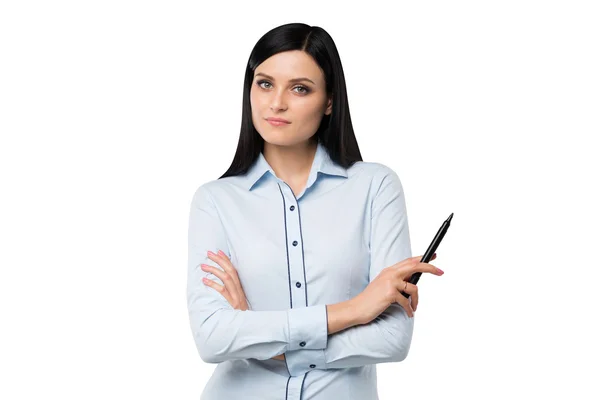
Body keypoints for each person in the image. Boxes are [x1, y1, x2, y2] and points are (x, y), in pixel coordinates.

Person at [187, 22, 444, 400]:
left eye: (300, 88)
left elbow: (392, 338)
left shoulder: (375, 188)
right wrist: (356, 309)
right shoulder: (215, 201)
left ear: (329, 101)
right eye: (264, 83)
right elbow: (211, 338)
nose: (276, 102)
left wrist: (259, 335)